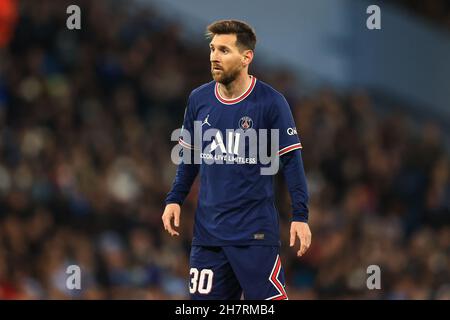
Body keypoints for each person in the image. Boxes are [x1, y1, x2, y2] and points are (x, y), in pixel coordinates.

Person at [162, 19, 311, 300]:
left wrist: (300, 215)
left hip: (253, 237)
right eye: (212, 49)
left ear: (246, 57)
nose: (214, 57)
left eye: (224, 50)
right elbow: (189, 157)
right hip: (208, 238)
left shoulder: (271, 102)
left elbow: (291, 161)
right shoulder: (199, 99)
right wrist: (174, 199)